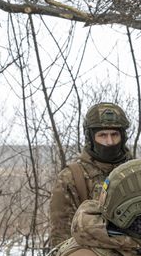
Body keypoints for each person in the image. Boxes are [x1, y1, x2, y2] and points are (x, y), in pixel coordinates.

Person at [49, 102, 132, 248]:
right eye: (102, 135)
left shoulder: (137, 172)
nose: (109, 142)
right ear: (91, 138)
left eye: (114, 135)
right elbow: (61, 236)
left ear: (123, 136)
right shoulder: (72, 177)